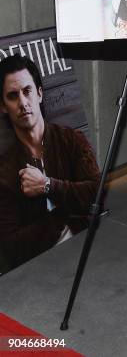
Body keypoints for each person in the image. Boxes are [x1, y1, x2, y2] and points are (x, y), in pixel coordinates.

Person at [0, 55, 101, 272]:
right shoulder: (5, 171)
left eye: (27, 91)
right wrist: (67, 214)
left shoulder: (71, 140)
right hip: (39, 270)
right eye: (12, 96)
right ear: (3, 107)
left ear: (39, 93)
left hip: (88, 251)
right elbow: (10, 246)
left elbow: (97, 193)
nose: (23, 102)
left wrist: (48, 185)